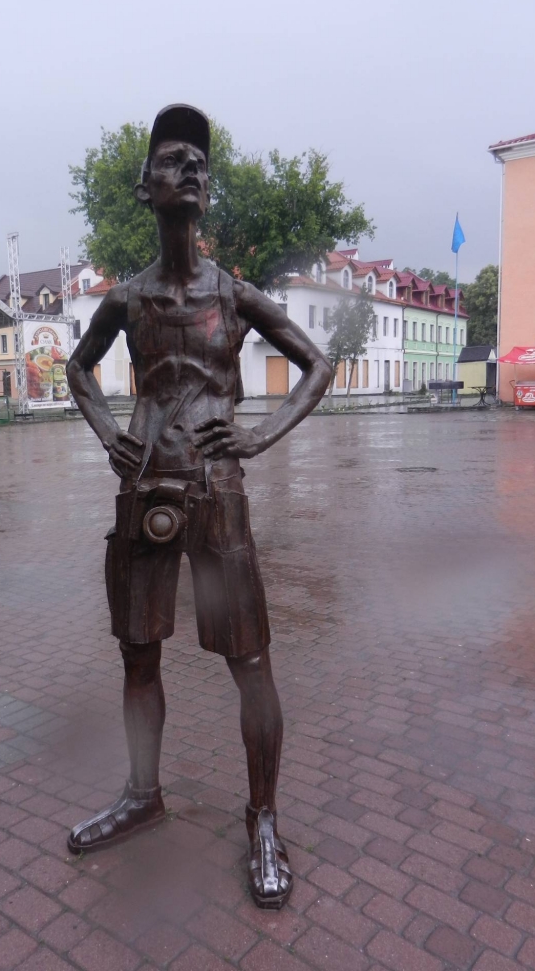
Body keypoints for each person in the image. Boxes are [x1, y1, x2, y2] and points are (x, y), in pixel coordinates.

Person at [66, 104, 331, 909]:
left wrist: (260, 436)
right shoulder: (127, 299)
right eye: (171, 159)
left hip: (218, 495)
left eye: (198, 164)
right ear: (145, 189)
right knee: (138, 654)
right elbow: (79, 369)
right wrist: (109, 432)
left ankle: (263, 819)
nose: (188, 169)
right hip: (144, 488)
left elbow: (318, 365)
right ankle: (142, 795)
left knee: (250, 663)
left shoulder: (235, 295)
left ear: (206, 194)